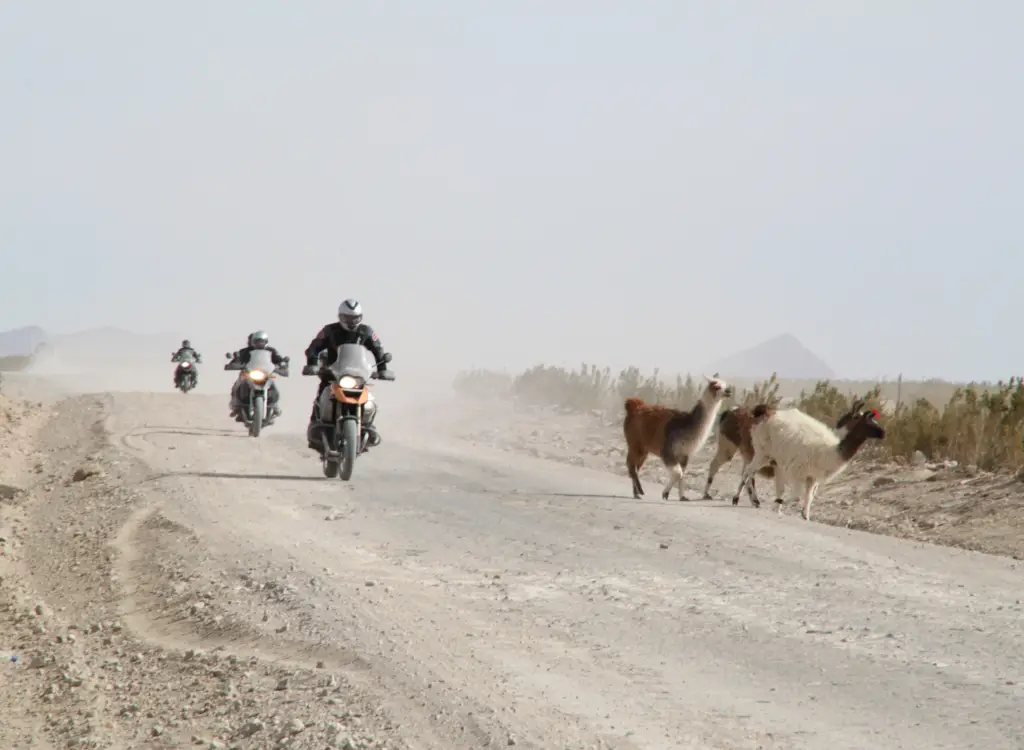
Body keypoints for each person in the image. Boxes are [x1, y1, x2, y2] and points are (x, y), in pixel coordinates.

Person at [301, 299, 391, 452]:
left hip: (357, 374)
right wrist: (312, 364)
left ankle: (367, 426)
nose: (351, 321)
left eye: (355, 318)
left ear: (360, 317)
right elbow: (314, 347)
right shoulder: (330, 330)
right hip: (332, 374)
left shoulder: (366, 331)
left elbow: (378, 349)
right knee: (321, 398)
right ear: (340, 317)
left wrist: (382, 368)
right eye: (347, 318)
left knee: (369, 400)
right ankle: (315, 429)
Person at [226, 331, 289, 421]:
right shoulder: (246, 351)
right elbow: (238, 359)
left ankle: (275, 406)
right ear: (253, 341)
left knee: (273, 384)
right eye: (258, 341)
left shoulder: (271, 351)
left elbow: (278, 360)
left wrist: (282, 365)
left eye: (262, 341)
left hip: (266, 374)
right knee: (238, 384)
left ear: (266, 341)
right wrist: (234, 363)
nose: (260, 343)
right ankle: (236, 405)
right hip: (248, 374)